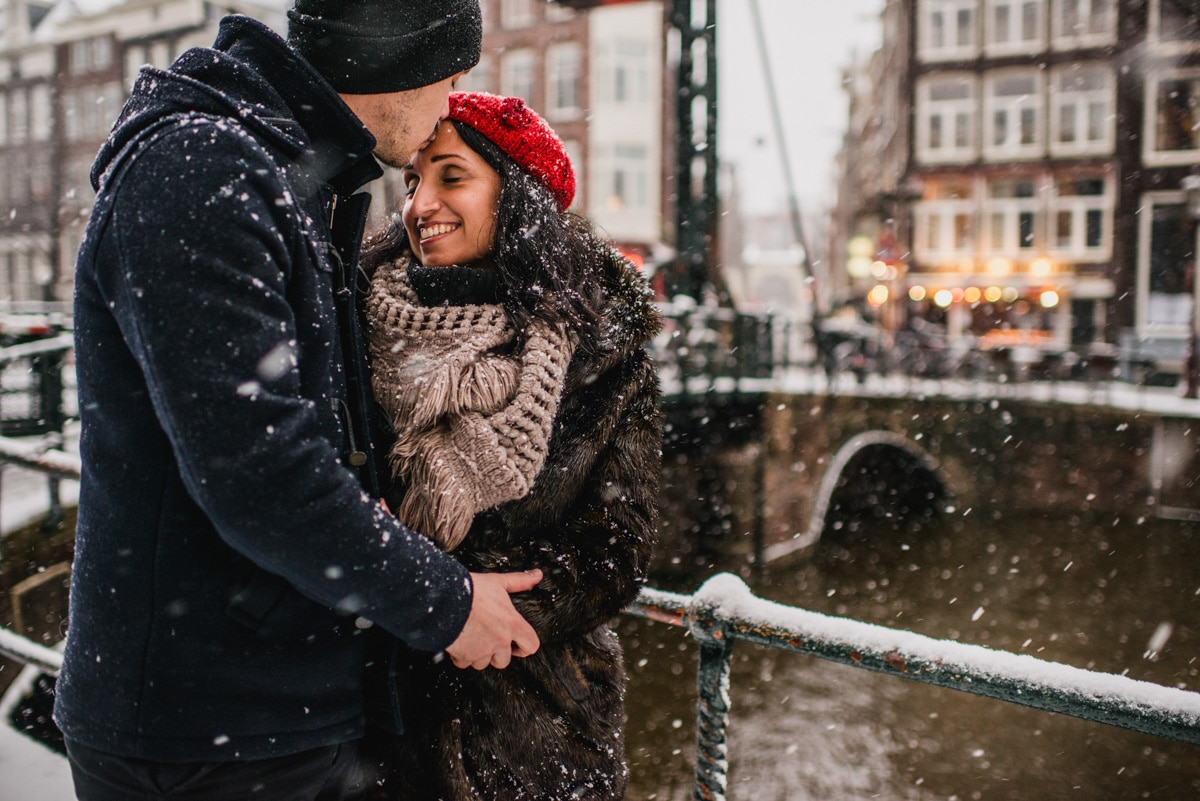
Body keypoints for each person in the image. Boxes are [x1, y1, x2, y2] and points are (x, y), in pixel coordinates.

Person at [54, 3, 544, 800]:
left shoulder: (284, 173)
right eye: (454, 68)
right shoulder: (201, 170)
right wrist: (448, 605)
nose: (455, 94)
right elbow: (258, 470)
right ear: (397, 55)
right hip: (208, 732)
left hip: (263, 709)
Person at [357, 92, 663, 800]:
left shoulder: (603, 351)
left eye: (451, 176)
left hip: (534, 735)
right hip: (373, 727)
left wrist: (493, 612)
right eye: (413, 181)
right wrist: (426, 596)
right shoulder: (360, 318)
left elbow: (617, 546)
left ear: (516, 194)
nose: (420, 203)